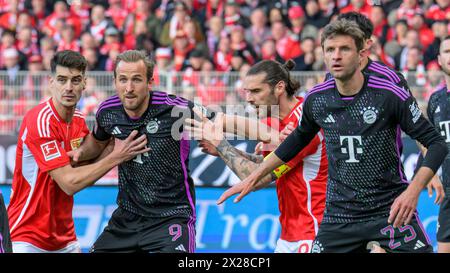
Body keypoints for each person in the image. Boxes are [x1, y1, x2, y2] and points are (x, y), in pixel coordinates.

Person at [235, 19, 448, 253]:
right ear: (323, 55)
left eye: (344, 49)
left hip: (389, 209)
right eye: (330, 50)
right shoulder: (317, 99)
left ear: (361, 54)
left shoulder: (389, 93)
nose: (336, 56)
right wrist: (253, 176)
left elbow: (436, 142)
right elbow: (296, 141)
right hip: (339, 215)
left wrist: (413, 191)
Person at [6, 50, 150, 253]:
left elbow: (87, 169)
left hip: (65, 238)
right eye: (62, 80)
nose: (68, 88)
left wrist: (108, 148)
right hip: (26, 236)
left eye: (75, 80)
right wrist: (117, 156)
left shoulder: (79, 120)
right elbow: (69, 183)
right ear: (51, 82)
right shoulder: (40, 121)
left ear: (84, 83)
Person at [186, 59, 328, 253]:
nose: (249, 99)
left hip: (313, 230)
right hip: (289, 234)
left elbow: (255, 178)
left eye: (256, 91)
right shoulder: (274, 122)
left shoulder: (304, 121)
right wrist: (226, 151)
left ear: (279, 87)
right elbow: (267, 165)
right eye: (247, 92)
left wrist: (221, 143)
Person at [71, 50, 206, 253]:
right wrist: (80, 154)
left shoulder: (174, 109)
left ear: (150, 82)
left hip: (171, 216)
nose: (129, 88)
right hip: (127, 217)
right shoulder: (108, 112)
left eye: (136, 80)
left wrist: (221, 143)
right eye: (123, 80)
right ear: (115, 81)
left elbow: (220, 120)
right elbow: (98, 142)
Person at [422, 35, 450, 253]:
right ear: (439, 60)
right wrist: (431, 173)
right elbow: (424, 137)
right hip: (448, 190)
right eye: (447, 52)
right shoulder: (435, 100)